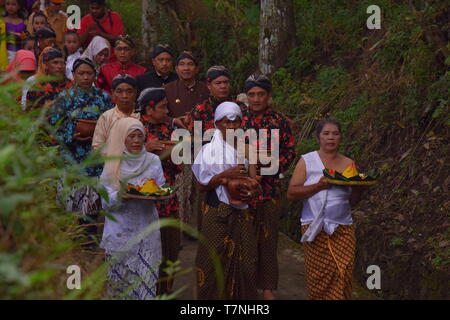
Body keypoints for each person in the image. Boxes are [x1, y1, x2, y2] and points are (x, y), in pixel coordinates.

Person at [287, 118, 366, 300]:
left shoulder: (349, 164)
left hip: (343, 228)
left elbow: (352, 201)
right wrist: (318, 186)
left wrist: (359, 188)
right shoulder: (307, 161)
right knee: (319, 277)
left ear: (340, 138)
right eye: (326, 133)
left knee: (343, 271)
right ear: (318, 138)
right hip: (314, 227)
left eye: (335, 134)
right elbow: (292, 193)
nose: (331, 138)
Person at [192, 101, 261, 300]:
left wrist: (253, 189)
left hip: (242, 210)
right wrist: (225, 175)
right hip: (217, 210)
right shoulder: (208, 151)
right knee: (211, 260)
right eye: (225, 122)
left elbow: (254, 180)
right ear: (217, 123)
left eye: (235, 122)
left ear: (241, 123)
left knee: (246, 261)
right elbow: (202, 185)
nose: (230, 126)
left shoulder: (246, 149)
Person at [241, 74, 296, 300]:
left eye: (260, 94)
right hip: (242, 191)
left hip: (270, 190)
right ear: (246, 97)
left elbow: (289, 152)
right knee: (245, 241)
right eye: (252, 94)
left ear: (269, 96)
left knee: (269, 240)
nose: (256, 99)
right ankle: (246, 286)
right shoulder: (238, 120)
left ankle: (267, 288)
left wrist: (267, 171)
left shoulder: (280, 121)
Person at [48, 58, 113, 245]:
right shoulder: (64, 98)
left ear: (94, 75)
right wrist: (73, 134)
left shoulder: (103, 97)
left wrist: (98, 136)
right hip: (71, 159)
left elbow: (111, 123)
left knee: (92, 206)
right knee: (71, 204)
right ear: (74, 75)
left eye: (89, 73)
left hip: (95, 160)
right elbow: (54, 125)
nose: (85, 77)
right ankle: (71, 243)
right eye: (81, 73)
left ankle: (90, 242)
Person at [100, 117, 164, 300]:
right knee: (120, 289)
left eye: (139, 136)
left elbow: (161, 188)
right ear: (122, 139)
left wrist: (157, 194)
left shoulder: (153, 161)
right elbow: (104, 202)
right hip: (120, 233)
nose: (136, 141)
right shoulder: (112, 163)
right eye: (131, 136)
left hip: (147, 230)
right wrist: (120, 196)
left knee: (146, 287)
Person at [137, 87, 183, 295]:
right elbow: (122, 163)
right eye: (163, 106)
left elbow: (180, 165)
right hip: (143, 205)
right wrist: (146, 150)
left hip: (169, 202)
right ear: (149, 108)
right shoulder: (135, 129)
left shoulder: (171, 129)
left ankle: (165, 293)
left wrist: (171, 154)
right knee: (147, 253)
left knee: (171, 252)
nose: (167, 111)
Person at [92, 73, 140, 151]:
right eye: (119, 91)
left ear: (135, 93)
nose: (124, 96)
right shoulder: (106, 117)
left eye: (129, 91)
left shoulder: (142, 115)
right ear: (112, 93)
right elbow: (97, 147)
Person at [164, 51, 209, 127]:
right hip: (174, 133)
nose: (186, 68)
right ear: (176, 69)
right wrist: (173, 120)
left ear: (197, 69)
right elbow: (158, 115)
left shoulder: (205, 89)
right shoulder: (167, 89)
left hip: (201, 132)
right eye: (182, 64)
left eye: (190, 64)